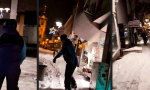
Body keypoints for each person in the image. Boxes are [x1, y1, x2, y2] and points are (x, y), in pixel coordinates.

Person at [0, 19, 25, 90]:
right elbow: (23, 56)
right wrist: (15, 63)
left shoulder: (1, 37)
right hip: (13, 68)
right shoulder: (20, 39)